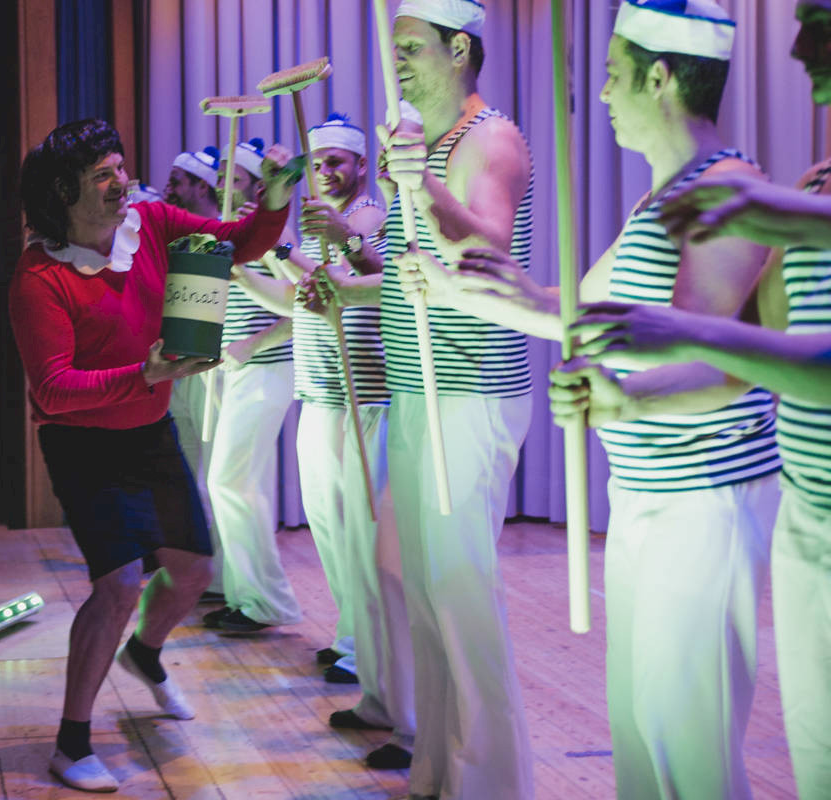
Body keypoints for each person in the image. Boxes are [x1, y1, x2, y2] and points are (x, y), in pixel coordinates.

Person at [401, 2, 785, 797]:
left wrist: (622, 399)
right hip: (645, 493)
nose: (602, 94)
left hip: (704, 498)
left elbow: (713, 357)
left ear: (660, 78)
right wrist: (452, 287)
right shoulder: (658, 201)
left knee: (688, 745)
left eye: (613, 76)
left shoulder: (726, 191)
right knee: (643, 735)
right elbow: (571, 310)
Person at [567, 3, 831, 794]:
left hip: (829, 517)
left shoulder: (753, 190)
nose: (798, 45)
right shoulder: (822, 180)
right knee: (824, 773)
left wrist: (676, 352)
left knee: (696, 747)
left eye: (824, 20)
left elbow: (790, 363)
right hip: (808, 518)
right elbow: (766, 346)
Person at [9, 118, 292, 792]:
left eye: (120, 167)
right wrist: (147, 373)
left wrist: (276, 200)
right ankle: (71, 742)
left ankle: (144, 652)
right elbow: (53, 389)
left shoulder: (153, 223)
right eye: (102, 175)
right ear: (64, 192)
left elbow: (240, 244)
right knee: (119, 587)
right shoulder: (39, 277)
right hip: (84, 444)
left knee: (193, 572)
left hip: (149, 431)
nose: (122, 182)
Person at [314, 1, 539, 795]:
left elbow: (488, 248)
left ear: (460, 48)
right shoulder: (424, 143)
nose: (397, 62)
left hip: (471, 389)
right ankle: (440, 769)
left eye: (411, 48)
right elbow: (418, 274)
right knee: (418, 589)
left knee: (460, 595)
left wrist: (421, 185)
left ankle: (490, 782)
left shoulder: (492, 138)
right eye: (395, 48)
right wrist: (352, 284)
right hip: (418, 388)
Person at [238, 113, 417, 769]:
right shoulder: (319, 224)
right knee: (337, 543)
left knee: (371, 553)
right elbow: (302, 301)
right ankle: (369, 675)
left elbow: (375, 278)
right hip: (321, 397)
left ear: (362, 166)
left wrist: (304, 248)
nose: (326, 172)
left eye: (337, 161)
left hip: (367, 400)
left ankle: (395, 694)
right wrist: (268, 256)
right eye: (318, 163)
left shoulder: (369, 216)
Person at [201, 138, 300, 633]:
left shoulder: (268, 231)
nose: (223, 184)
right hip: (232, 370)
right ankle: (246, 597)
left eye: (233, 178)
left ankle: (266, 600)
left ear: (257, 186)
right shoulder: (227, 231)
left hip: (267, 367)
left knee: (228, 482)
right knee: (240, 486)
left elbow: (301, 304)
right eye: (220, 176)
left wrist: (252, 345)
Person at [161, 146, 226, 601]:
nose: (169, 188)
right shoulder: (173, 235)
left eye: (177, 181)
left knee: (215, 476)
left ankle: (222, 580)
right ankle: (195, 572)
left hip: (214, 369)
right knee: (184, 475)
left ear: (202, 186)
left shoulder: (223, 235)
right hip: (175, 370)